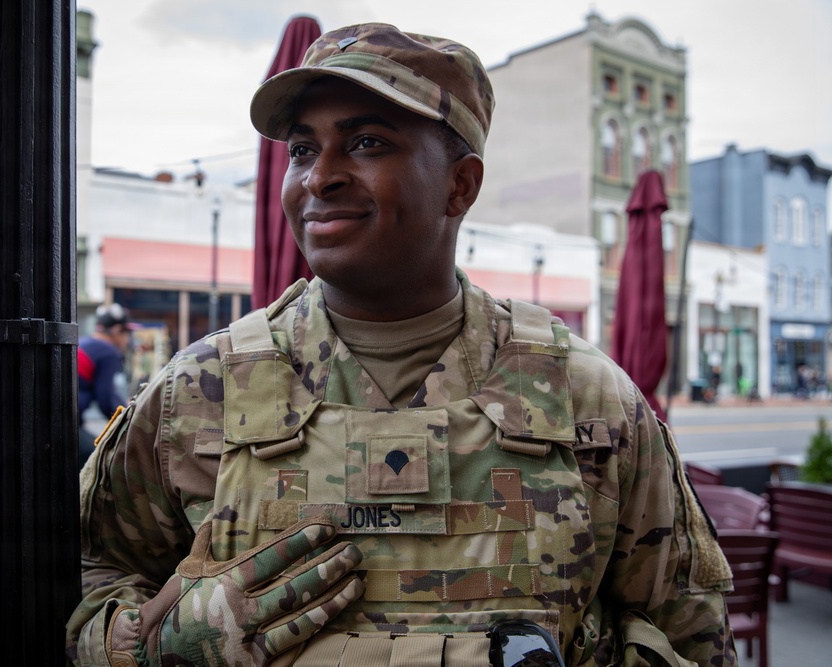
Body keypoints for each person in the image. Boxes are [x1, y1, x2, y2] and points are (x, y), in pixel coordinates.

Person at [67, 23, 736, 667]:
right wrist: (145, 646)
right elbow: (85, 578)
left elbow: (689, 630)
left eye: (366, 143)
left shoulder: (586, 398)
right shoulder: (199, 391)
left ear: (460, 185)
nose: (318, 177)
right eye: (302, 150)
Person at [77, 302, 132, 470]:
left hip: (60, 418)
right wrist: (129, 420)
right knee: (96, 459)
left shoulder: (86, 342)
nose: (128, 339)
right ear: (117, 330)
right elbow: (106, 399)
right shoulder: (108, 352)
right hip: (62, 422)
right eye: (127, 333)